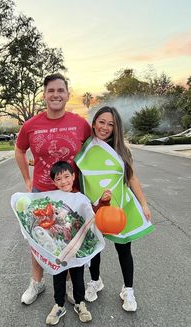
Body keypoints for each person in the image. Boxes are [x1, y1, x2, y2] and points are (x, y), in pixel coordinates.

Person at [15, 73, 91, 305]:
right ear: (44, 95)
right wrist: (28, 181)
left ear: (68, 95)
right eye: (51, 91)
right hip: (42, 194)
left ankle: (69, 284)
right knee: (37, 240)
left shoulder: (80, 124)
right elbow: (19, 151)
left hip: (72, 195)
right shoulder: (30, 125)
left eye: (60, 90)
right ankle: (37, 283)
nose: (56, 94)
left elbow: (92, 152)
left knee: (69, 242)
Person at [78, 106, 152, 312]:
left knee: (124, 249)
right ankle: (95, 281)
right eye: (101, 122)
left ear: (116, 127)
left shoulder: (121, 150)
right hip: (94, 205)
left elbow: (131, 178)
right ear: (94, 123)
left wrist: (144, 204)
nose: (105, 127)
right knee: (94, 248)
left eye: (111, 124)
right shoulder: (85, 149)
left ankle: (128, 289)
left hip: (120, 206)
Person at [46, 161, 92, 325]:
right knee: (57, 275)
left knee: (78, 275)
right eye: (59, 179)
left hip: (76, 246)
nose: (63, 181)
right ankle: (59, 304)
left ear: (73, 176)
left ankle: (80, 303)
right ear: (54, 182)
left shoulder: (81, 198)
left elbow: (90, 218)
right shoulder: (52, 198)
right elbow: (48, 219)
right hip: (57, 247)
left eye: (67, 176)